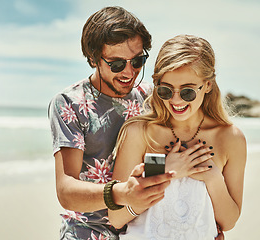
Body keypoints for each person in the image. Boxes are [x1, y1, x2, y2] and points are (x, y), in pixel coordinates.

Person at [48, 6, 175, 240]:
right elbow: (66, 190)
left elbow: (174, 149)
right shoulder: (71, 103)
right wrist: (121, 193)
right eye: (117, 64)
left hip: (144, 230)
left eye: (138, 61)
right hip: (88, 232)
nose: (129, 72)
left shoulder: (150, 97)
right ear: (93, 58)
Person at [109, 34, 246, 239]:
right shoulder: (139, 132)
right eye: (166, 90)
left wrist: (212, 177)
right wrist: (164, 169)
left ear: (207, 85)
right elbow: (116, 217)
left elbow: (229, 221)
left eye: (187, 92)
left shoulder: (230, 138)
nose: (175, 100)